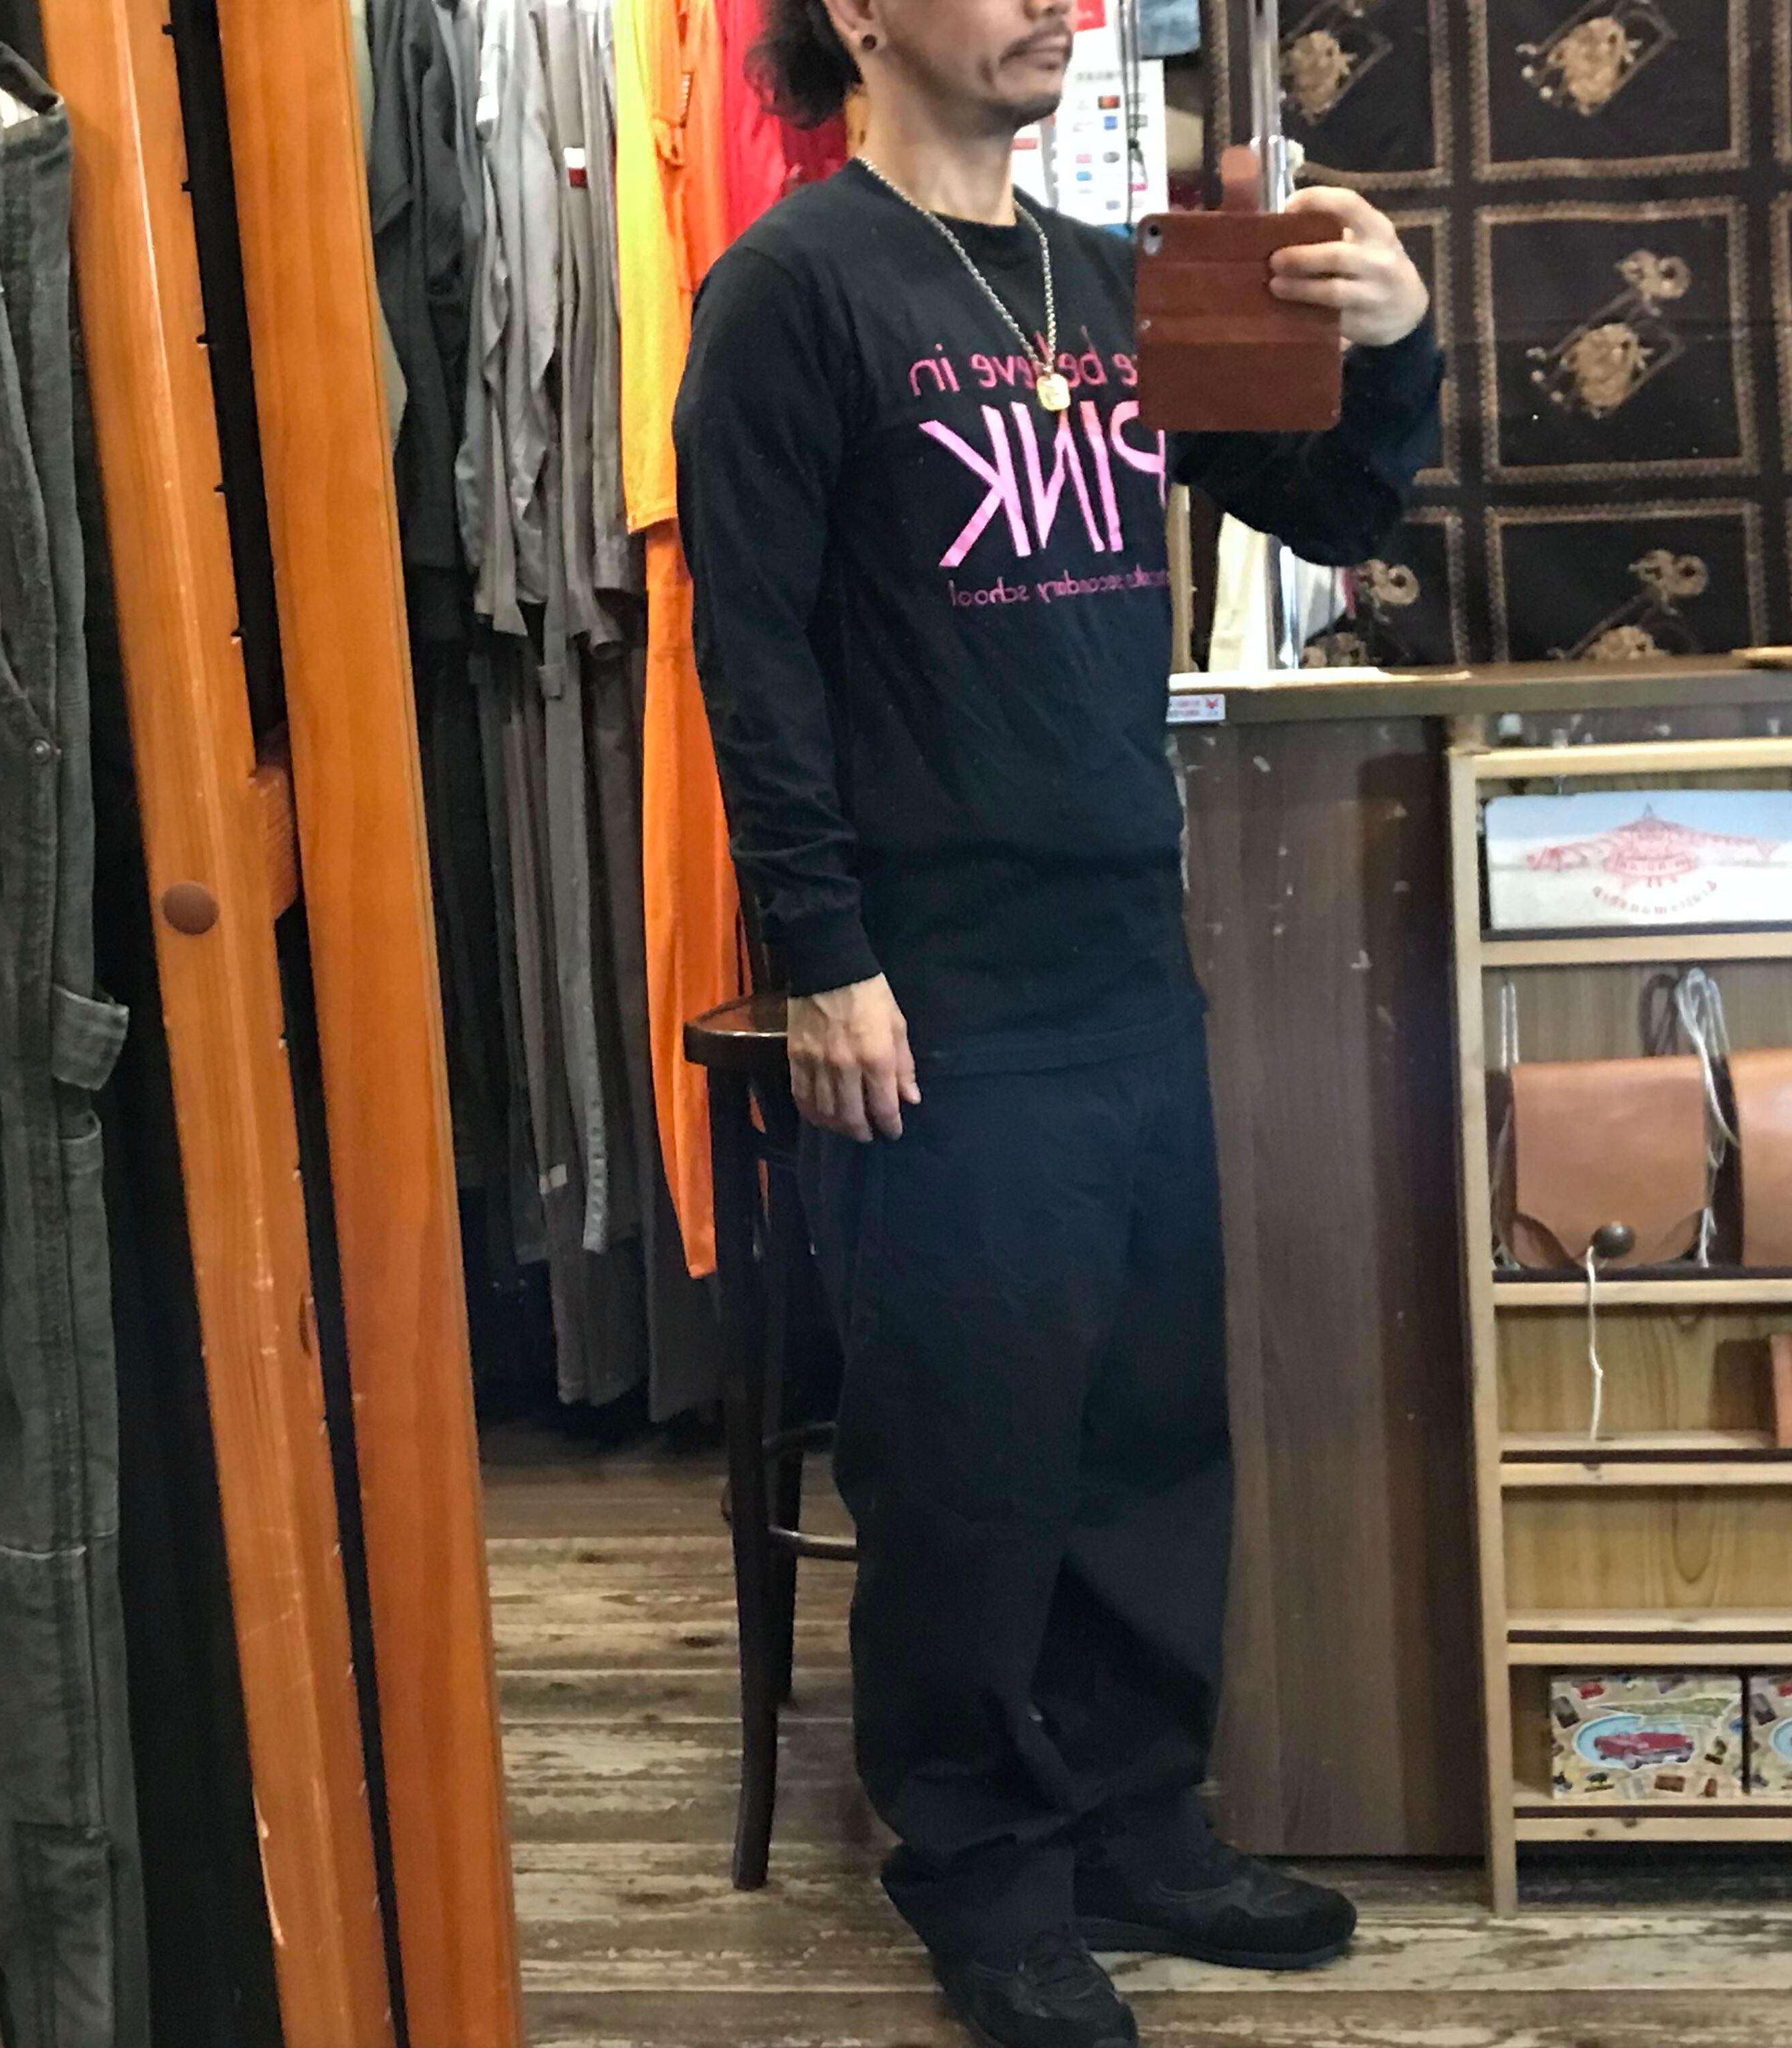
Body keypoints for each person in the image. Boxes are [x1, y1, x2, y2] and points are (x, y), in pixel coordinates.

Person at [673, 4, 1440, 2042]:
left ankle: (1135, 1820)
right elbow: (750, 650)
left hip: (1125, 957)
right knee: (968, 1462)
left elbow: (1332, 511)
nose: (1053, 3)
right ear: (859, 14)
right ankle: (984, 1872)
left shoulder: (1118, 278)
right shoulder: (790, 289)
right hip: (932, 989)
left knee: (1145, 1438)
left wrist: (1396, 340)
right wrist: (825, 955)